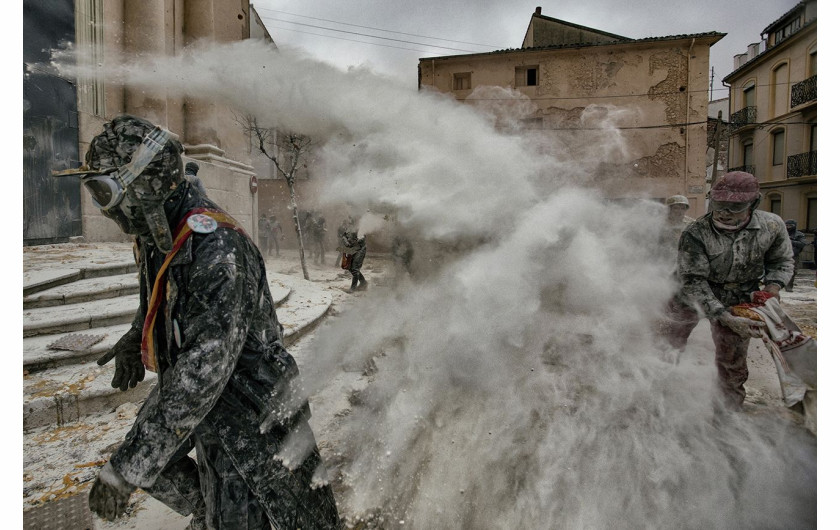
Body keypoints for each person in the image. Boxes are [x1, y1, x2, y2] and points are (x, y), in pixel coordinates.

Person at [59, 115, 340, 528]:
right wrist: (136, 335)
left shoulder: (217, 248)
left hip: (250, 410)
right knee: (157, 460)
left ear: (142, 184)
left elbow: (203, 371)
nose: (104, 208)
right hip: (204, 399)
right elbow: (160, 292)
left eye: (105, 191)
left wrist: (126, 471)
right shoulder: (160, 232)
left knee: (274, 510)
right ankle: (209, 509)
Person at [662, 171, 793, 409]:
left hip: (739, 297)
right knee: (667, 344)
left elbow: (781, 262)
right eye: (719, 204)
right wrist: (722, 315)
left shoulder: (772, 226)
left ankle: (727, 416)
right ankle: (657, 399)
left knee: (732, 363)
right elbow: (693, 280)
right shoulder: (696, 232)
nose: (723, 212)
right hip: (689, 294)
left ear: (754, 203)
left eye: (735, 207)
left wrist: (773, 287)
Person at [659, 194, 695, 268]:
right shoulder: (660, 224)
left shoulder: (691, 223)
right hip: (663, 262)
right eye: (676, 208)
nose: (680, 211)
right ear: (669, 209)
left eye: (683, 208)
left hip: (685, 262)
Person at [784, 219, 807, 292]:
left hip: (794, 255)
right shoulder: (782, 233)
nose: (788, 227)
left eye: (790, 225)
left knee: (793, 271)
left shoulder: (799, 234)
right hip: (781, 254)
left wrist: (791, 241)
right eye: (787, 225)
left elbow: (802, 243)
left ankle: (789, 286)